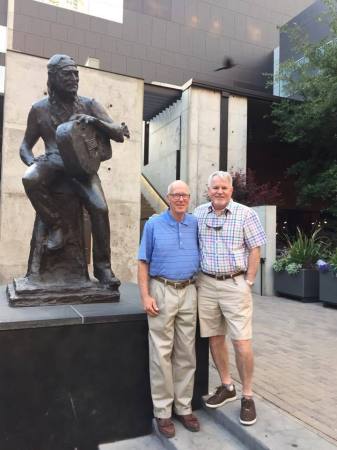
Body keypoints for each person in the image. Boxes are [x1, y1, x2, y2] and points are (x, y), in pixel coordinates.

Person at [20, 54, 129, 287]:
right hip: (52, 162)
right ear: (53, 77)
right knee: (30, 179)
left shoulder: (89, 104)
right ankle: (56, 225)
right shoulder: (38, 110)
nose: (74, 78)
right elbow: (24, 146)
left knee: (100, 208)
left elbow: (118, 133)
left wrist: (94, 121)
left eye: (76, 73)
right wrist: (32, 161)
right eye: (67, 74)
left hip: (81, 168)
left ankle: (103, 269)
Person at [194, 170, 266, 426]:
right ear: (209, 189)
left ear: (231, 190)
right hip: (207, 283)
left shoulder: (246, 214)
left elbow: (255, 248)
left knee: (242, 342)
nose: (219, 192)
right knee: (215, 338)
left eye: (224, 188)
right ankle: (227, 385)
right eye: (215, 188)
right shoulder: (199, 213)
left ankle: (247, 395)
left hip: (235, 283)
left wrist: (248, 282)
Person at [138, 180, 200, 438]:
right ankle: (163, 412)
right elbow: (143, 262)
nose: (180, 199)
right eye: (176, 195)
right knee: (161, 353)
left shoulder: (194, 223)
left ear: (189, 198)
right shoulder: (153, 224)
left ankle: (184, 407)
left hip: (189, 290)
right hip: (161, 289)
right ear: (168, 197)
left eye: (184, 195)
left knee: (187, 352)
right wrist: (145, 295)